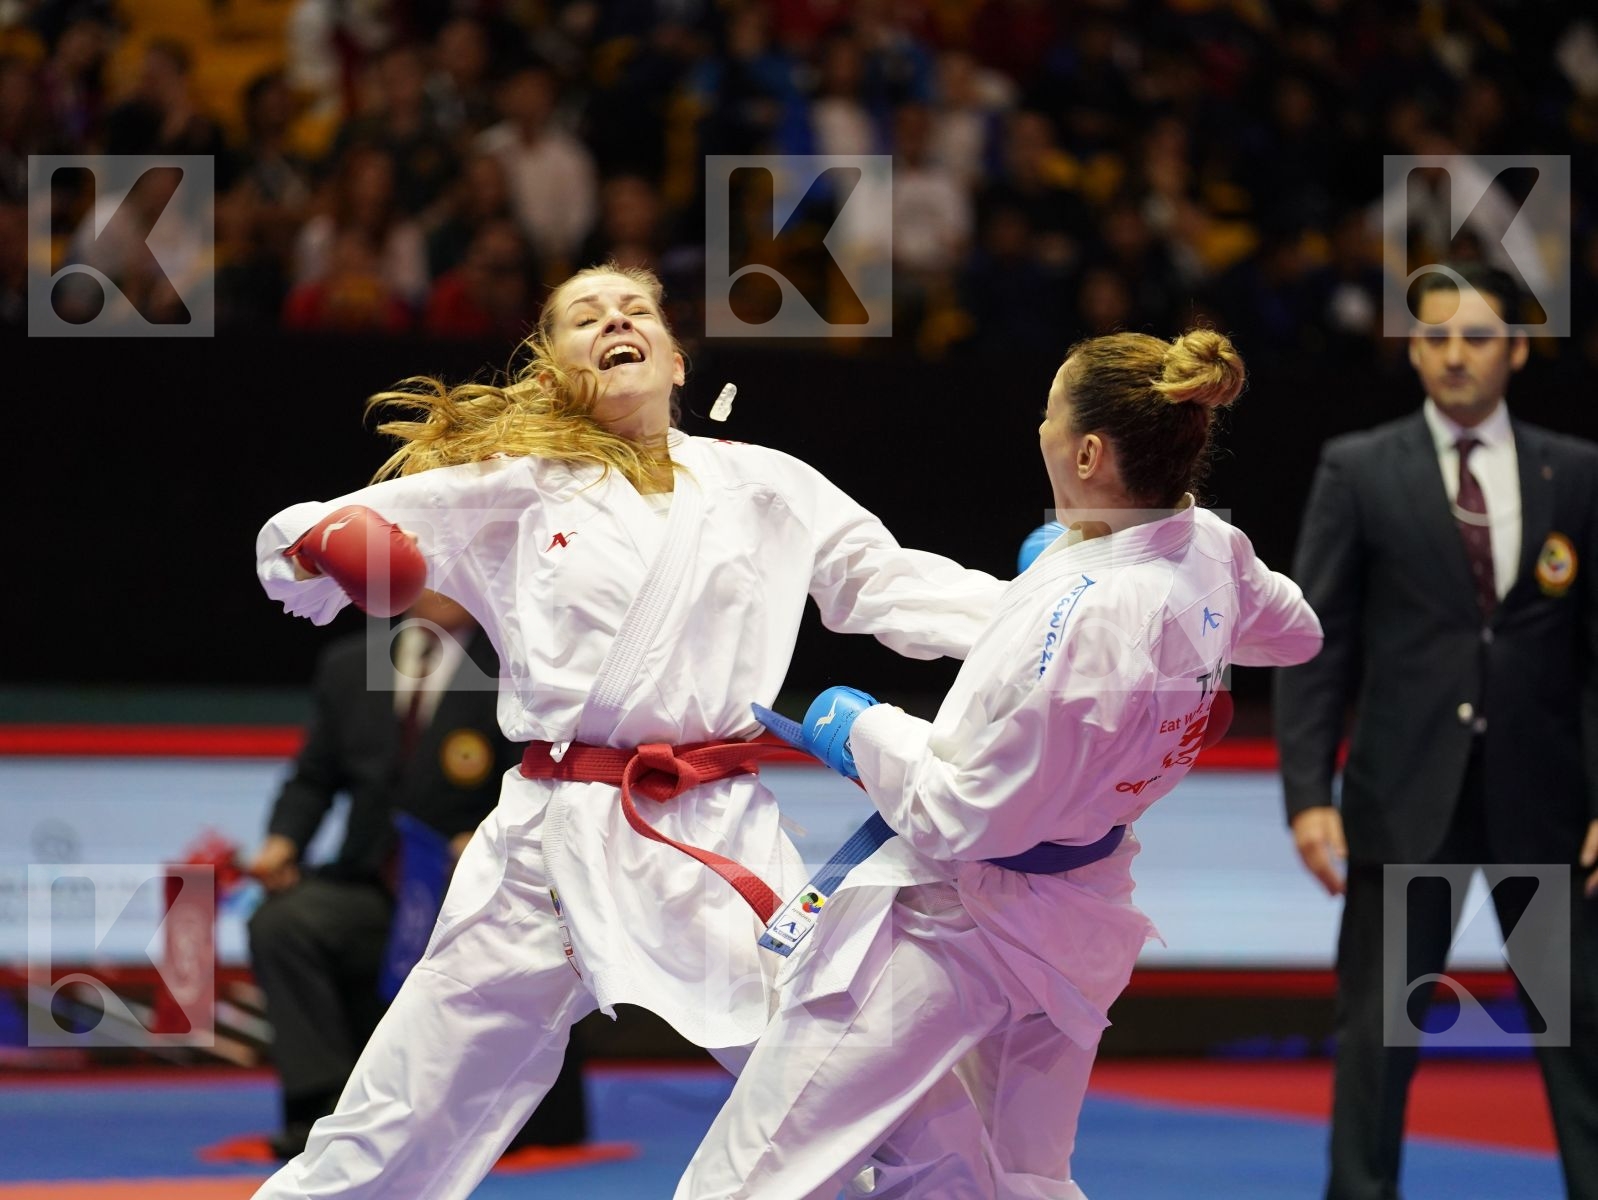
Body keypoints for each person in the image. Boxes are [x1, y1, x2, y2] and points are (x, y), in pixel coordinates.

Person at [249, 262, 1004, 1198]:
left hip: (718, 840)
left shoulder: (769, 486)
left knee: (872, 1084)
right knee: (398, 1115)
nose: (615, 321)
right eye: (584, 317)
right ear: (557, 367)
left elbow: (892, 585)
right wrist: (329, 546)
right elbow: (301, 542)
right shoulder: (515, 486)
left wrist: (1058, 629)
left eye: (635, 309)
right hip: (548, 844)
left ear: (678, 360)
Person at [676, 329, 1323, 1199]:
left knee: (755, 1170)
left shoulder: (1087, 622)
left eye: (1051, 412)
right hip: (1081, 918)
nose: (1040, 426)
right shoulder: (1205, 544)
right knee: (1017, 1179)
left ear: (1088, 452)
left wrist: (861, 732)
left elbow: (961, 813)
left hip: (963, 923)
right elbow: (1297, 631)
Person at [1274, 263, 1598, 1200]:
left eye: (1478, 337)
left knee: (1577, 1029)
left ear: (1519, 350)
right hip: (1404, 797)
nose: (1456, 354)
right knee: (1380, 1040)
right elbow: (1313, 645)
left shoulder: (1573, 473)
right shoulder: (1360, 467)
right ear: (1414, 350)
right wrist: (1307, 795)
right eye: (1436, 338)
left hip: (1546, 802)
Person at [246, 591, 585, 1158]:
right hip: (371, 886)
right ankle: (326, 1111)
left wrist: (487, 838)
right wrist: (282, 843)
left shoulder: (519, 668)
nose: (433, 586)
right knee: (282, 926)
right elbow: (313, 778)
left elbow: (547, 779)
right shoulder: (351, 665)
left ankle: (493, 1114)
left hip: (473, 889)